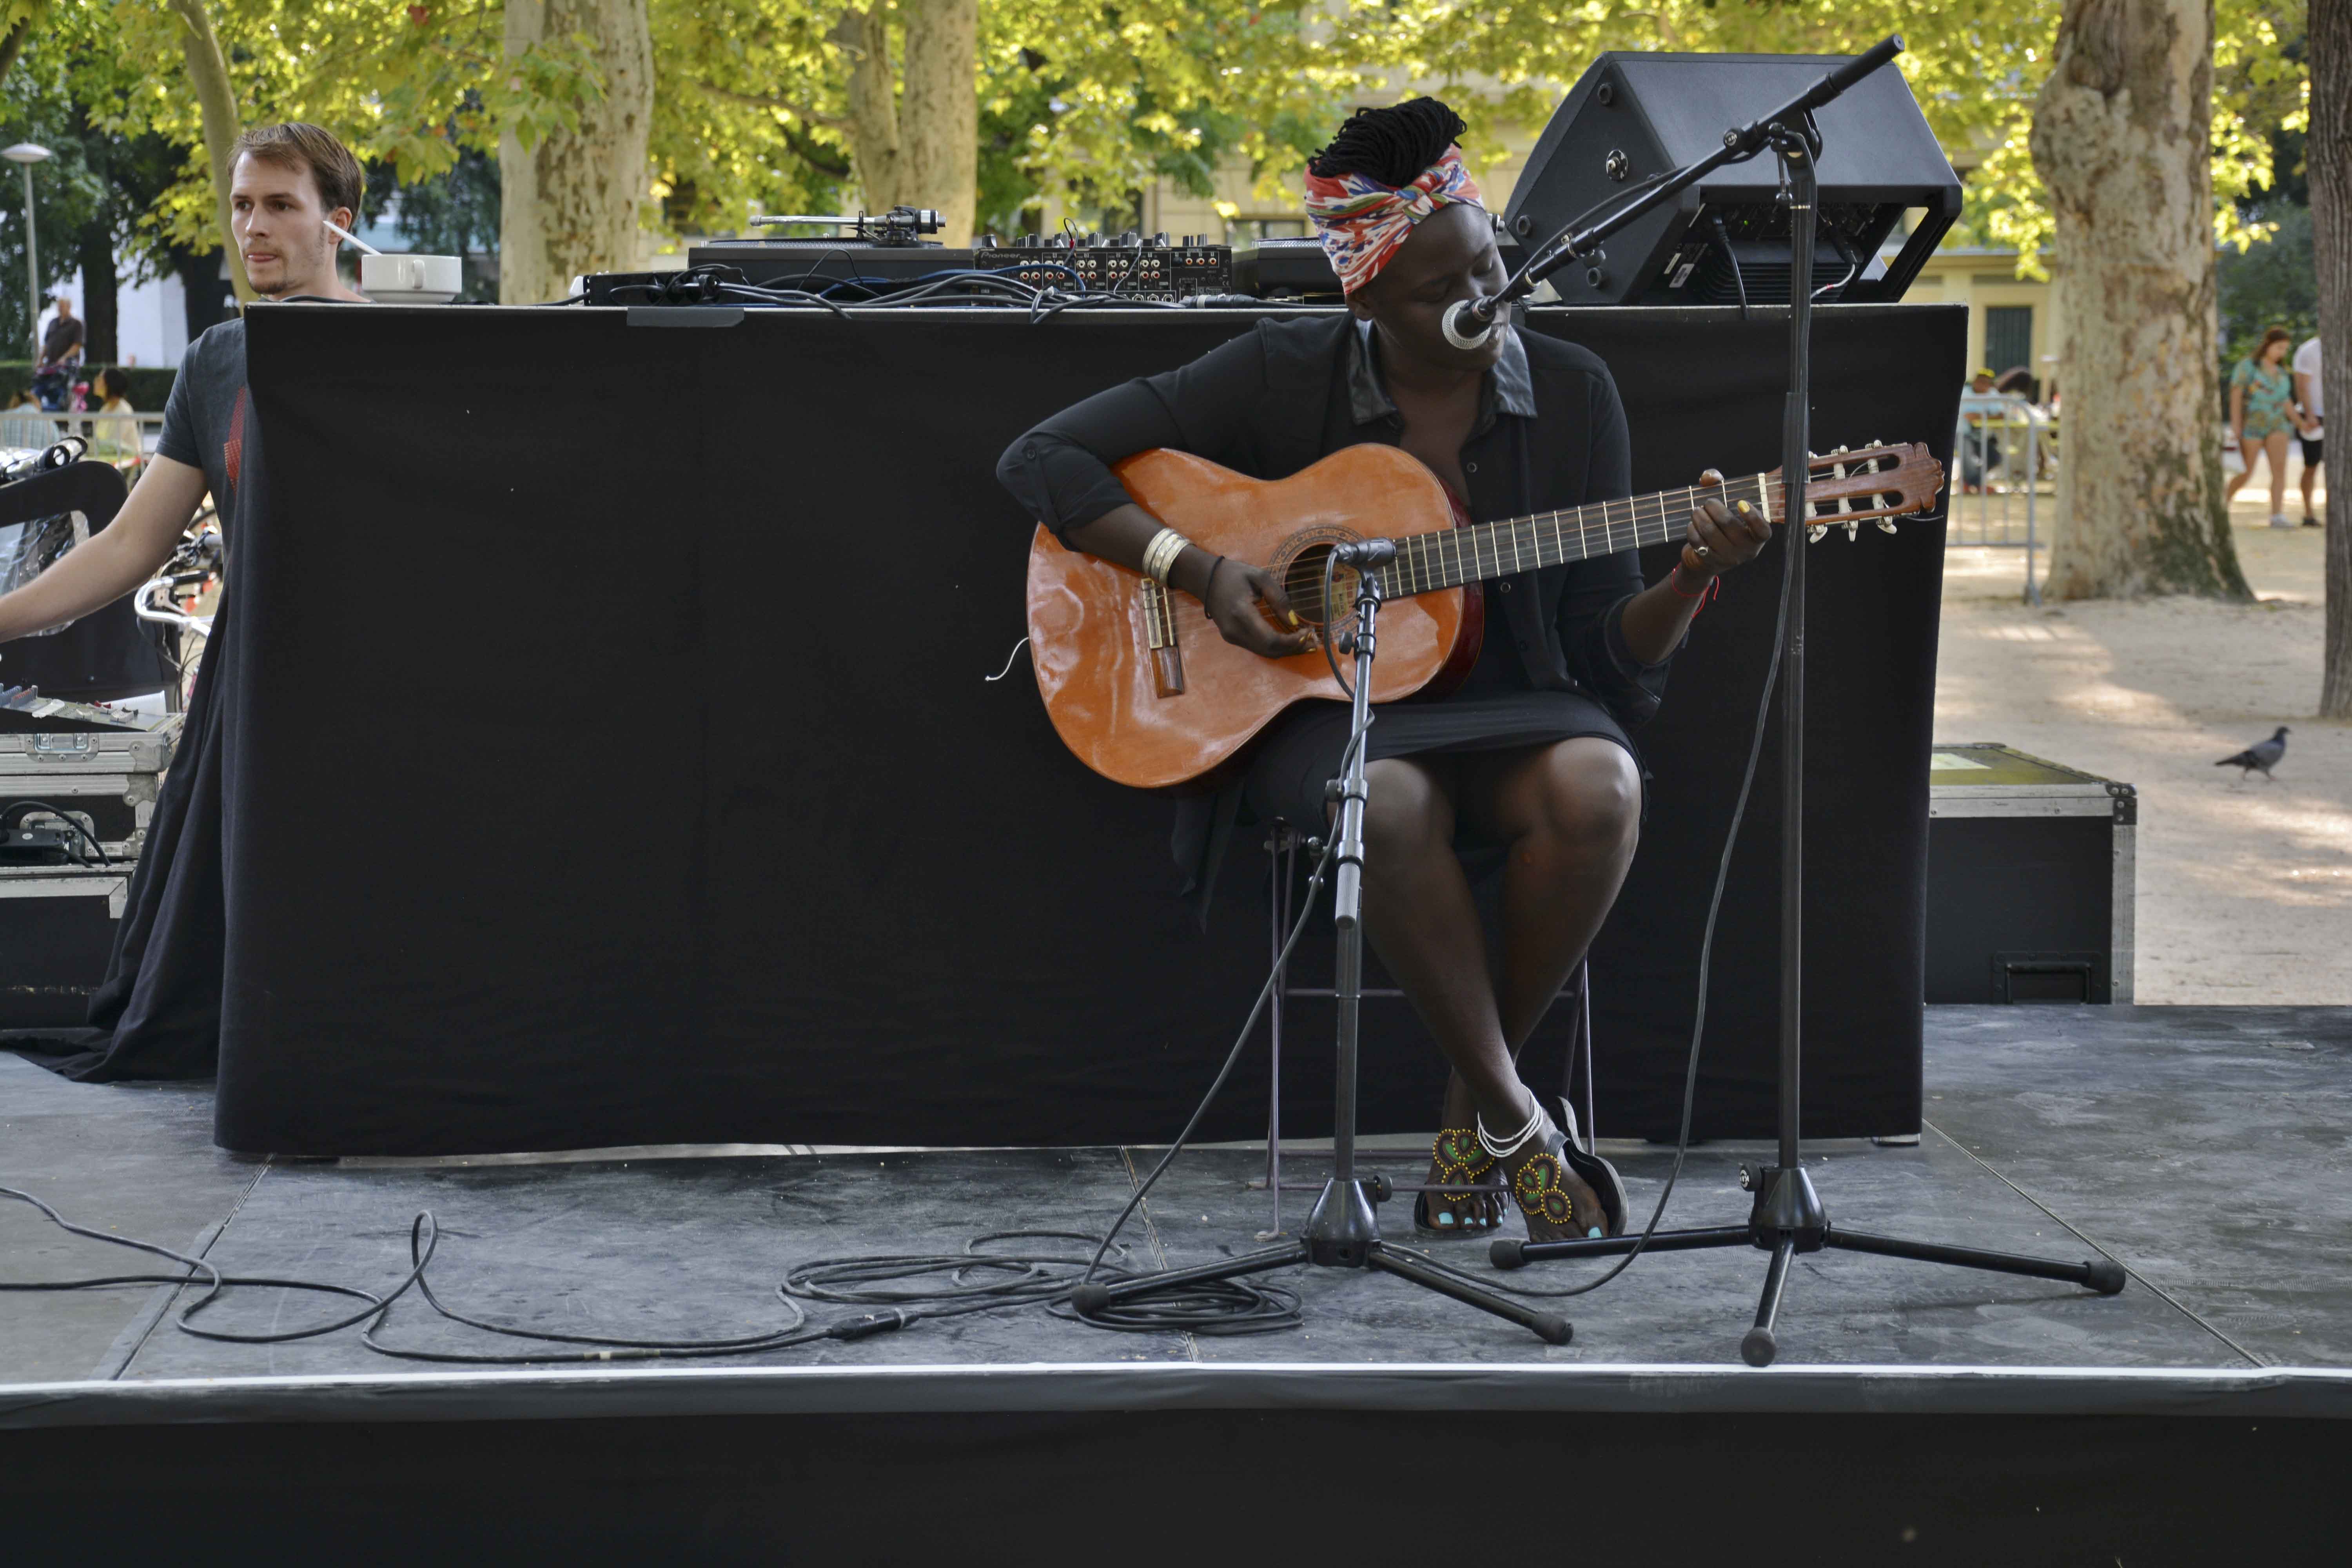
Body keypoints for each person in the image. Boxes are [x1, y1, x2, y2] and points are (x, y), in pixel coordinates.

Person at [998, 100, 1773, 1245]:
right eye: (1439, 290)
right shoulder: (1280, 371)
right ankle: (1518, 1118)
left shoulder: (1571, 392)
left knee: (1600, 787)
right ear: (1362, 297)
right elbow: (1041, 455)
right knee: (1389, 799)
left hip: (1518, 711)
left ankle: (1475, 1111)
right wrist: (1205, 573)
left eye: (1492, 266)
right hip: (1328, 713)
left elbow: (1612, 648)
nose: (1483, 301)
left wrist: (1692, 577)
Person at [0, 123, 367, 654]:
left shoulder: (406, 351)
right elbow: (130, 545)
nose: (254, 227)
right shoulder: (214, 361)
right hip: (256, 677)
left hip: (390, 678)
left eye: (281, 206)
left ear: (338, 226)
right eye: (243, 205)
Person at [2227, 327, 2301, 527]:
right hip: (2252, 424)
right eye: (2279, 347)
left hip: (2278, 424)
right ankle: (2221, 508)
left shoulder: (2282, 373)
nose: (2282, 353)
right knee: (2246, 472)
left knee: (2279, 471)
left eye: (2285, 349)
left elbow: (2286, 401)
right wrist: (2236, 425)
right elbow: (2236, 395)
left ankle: (2277, 515)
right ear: (2268, 344)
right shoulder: (2248, 366)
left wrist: (2301, 423)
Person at [1957, 367, 2007, 492]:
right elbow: (1969, 417)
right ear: (1974, 382)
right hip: (1962, 434)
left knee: (1995, 458)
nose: (1982, 385)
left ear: (1990, 385)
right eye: (1980, 381)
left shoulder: (1993, 394)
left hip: (1982, 436)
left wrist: (1980, 415)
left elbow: (2001, 415)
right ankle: (1978, 485)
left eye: (1986, 382)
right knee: (1968, 459)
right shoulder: (1965, 393)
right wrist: (1988, 415)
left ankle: (1968, 482)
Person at [2292, 332, 2323, 526]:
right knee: (2311, 467)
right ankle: (2309, 513)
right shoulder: (2308, 350)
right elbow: (2302, 385)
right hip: (2314, 416)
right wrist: (2310, 415)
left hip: (2342, 416)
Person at [88, 367, 142, 468]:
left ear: (109, 384)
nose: (95, 382)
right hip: (108, 459)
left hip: (125, 462)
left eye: (99, 379)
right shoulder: (105, 409)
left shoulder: (123, 410)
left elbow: (113, 444)